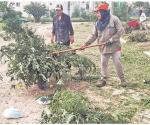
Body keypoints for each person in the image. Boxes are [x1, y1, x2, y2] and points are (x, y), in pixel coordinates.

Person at [80, 3, 127, 87]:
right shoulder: (97, 23)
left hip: (115, 47)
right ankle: (103, 79)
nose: (97, 14)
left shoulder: (114, 19)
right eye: (96, 12)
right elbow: (93, 35)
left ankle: (122, 80)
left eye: (98, 12)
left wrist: (112, 39)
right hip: (103, 47)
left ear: (103, 12)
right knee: (103, 63)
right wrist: (85, 44)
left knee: (117, 63)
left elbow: (121, 31)